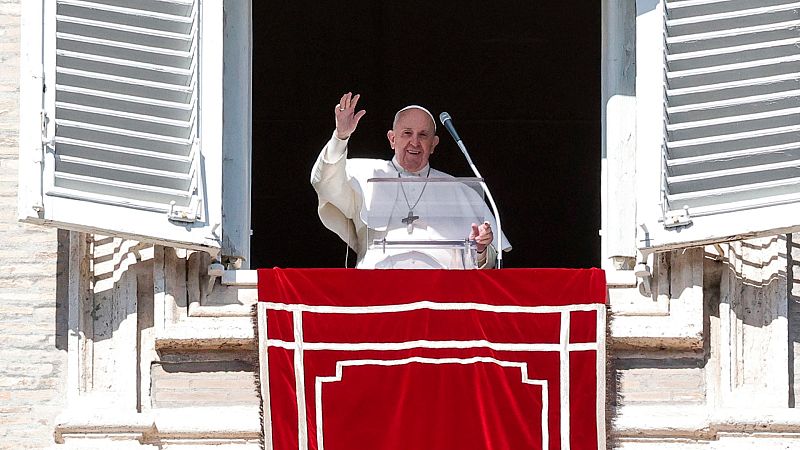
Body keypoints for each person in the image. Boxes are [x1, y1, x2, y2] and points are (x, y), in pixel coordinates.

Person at [311, 92, 510, 269]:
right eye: (407, 133)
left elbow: (487, 263)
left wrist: (482, 249)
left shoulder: (458, 189)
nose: (414, 142)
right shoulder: (364, 173)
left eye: (423, 135)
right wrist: (341, 136)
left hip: (441, 294)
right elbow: (325, 181)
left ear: (433, 144)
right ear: (392, 139)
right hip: (377, 289)